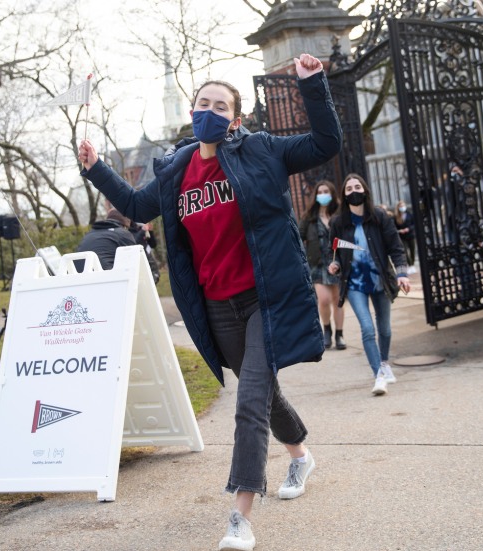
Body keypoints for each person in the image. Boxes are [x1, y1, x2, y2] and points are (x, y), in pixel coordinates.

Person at [78, 53, 341, 551]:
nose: (210, 111)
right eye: (204, 102)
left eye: (221, 106)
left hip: (264, 297)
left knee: (247, 403)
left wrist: (312, 85)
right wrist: (97, 170)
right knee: (261, 393)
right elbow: (136, 207)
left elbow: (326, 143)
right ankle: (301, 454)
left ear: (235, 119)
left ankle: (240, 515)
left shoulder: (262, 150)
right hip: (219, 307)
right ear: (192, 111)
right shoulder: (176, 169)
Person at [328, 173, 411, 396]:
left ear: (365, 190)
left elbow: (396, 247)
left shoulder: (380, 217)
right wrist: (335, 263)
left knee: (384, 328)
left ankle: (384, 362)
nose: (353, 191)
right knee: (367, 328)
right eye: (348, 189)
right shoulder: (338, 222)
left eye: (357, 187)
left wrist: (402, 274)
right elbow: (334, 250)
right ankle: (379, 375)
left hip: (380, 280)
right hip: (354, 283)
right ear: (344, 195)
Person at [299, 180, 347, 350]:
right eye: (320, 192)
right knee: (324, 300)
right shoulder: (309, 218)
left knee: (338, 300)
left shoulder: (339, 215)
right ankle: (327, 330)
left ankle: (339, 334)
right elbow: (298, 238)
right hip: (318, 264)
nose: (323, 194)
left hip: (337, 263)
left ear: (332, 193)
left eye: (326, 191)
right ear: (316, 195)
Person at [394, 199, 416, 269]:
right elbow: (394, 227)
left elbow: (414, 224)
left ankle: (412, 263)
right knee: (405, 251)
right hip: (402, 236)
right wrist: (400, 230)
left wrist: (409, 229)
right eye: (401, 206)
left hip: (410, 235)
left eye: (403, 205)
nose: (402, 207)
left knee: (412, 250)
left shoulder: (409, 214)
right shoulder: (396, 217)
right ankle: (410, 265)